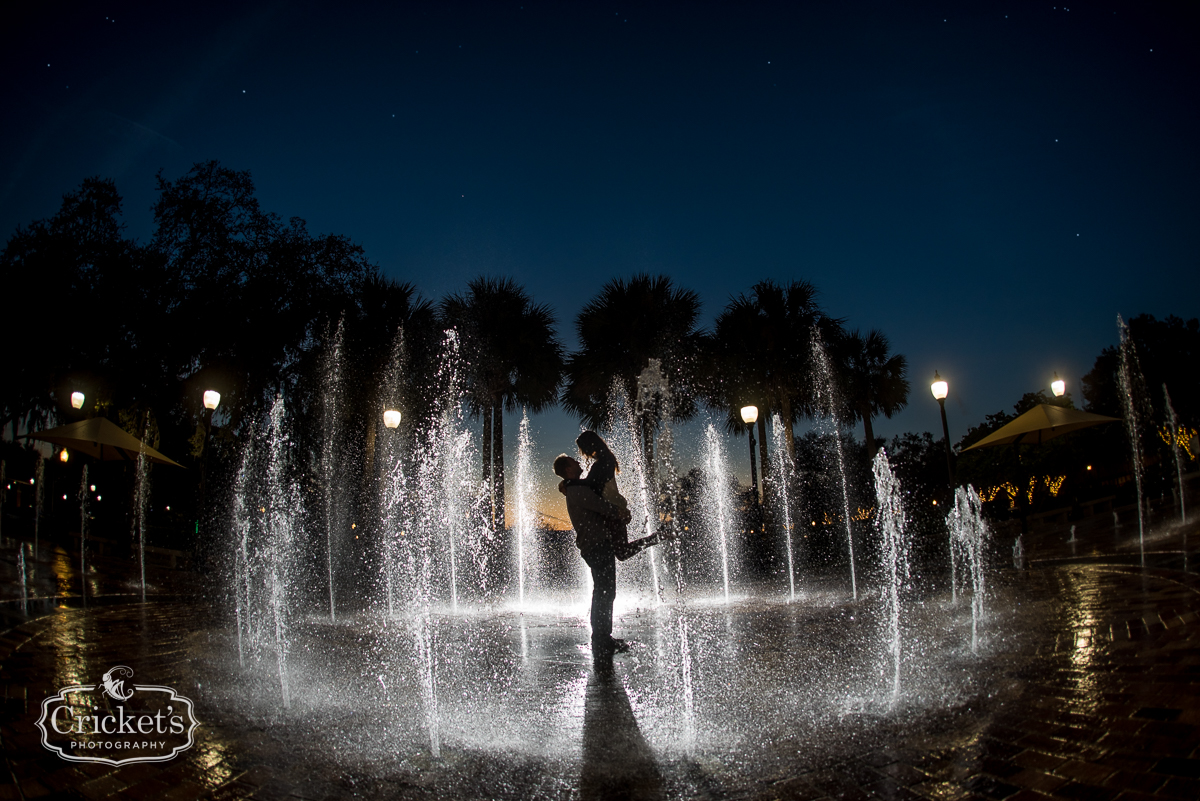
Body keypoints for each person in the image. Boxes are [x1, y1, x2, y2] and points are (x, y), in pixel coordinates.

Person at [554, 453, 632, 654]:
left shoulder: (574, 488)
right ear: (568, 470)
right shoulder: (576, 490)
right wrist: (619, 512)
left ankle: (602, 637)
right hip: (596, 546)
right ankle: (601, 639)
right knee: (604, 593)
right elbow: (600, 506)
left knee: (604, 592)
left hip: (595, 545)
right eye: (574, 462)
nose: (578, 462)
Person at [567, 430, 667, 560]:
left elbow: (590, 484)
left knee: (621, 552)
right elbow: (591, 485)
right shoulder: (604, 459)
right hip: (613, 509)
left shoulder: (602, 462)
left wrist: (570, 482)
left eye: (583, 448)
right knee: (621, 551)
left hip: (614, 510)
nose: (583, 453)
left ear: (589, 445)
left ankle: (658, 536)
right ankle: (658, 536)